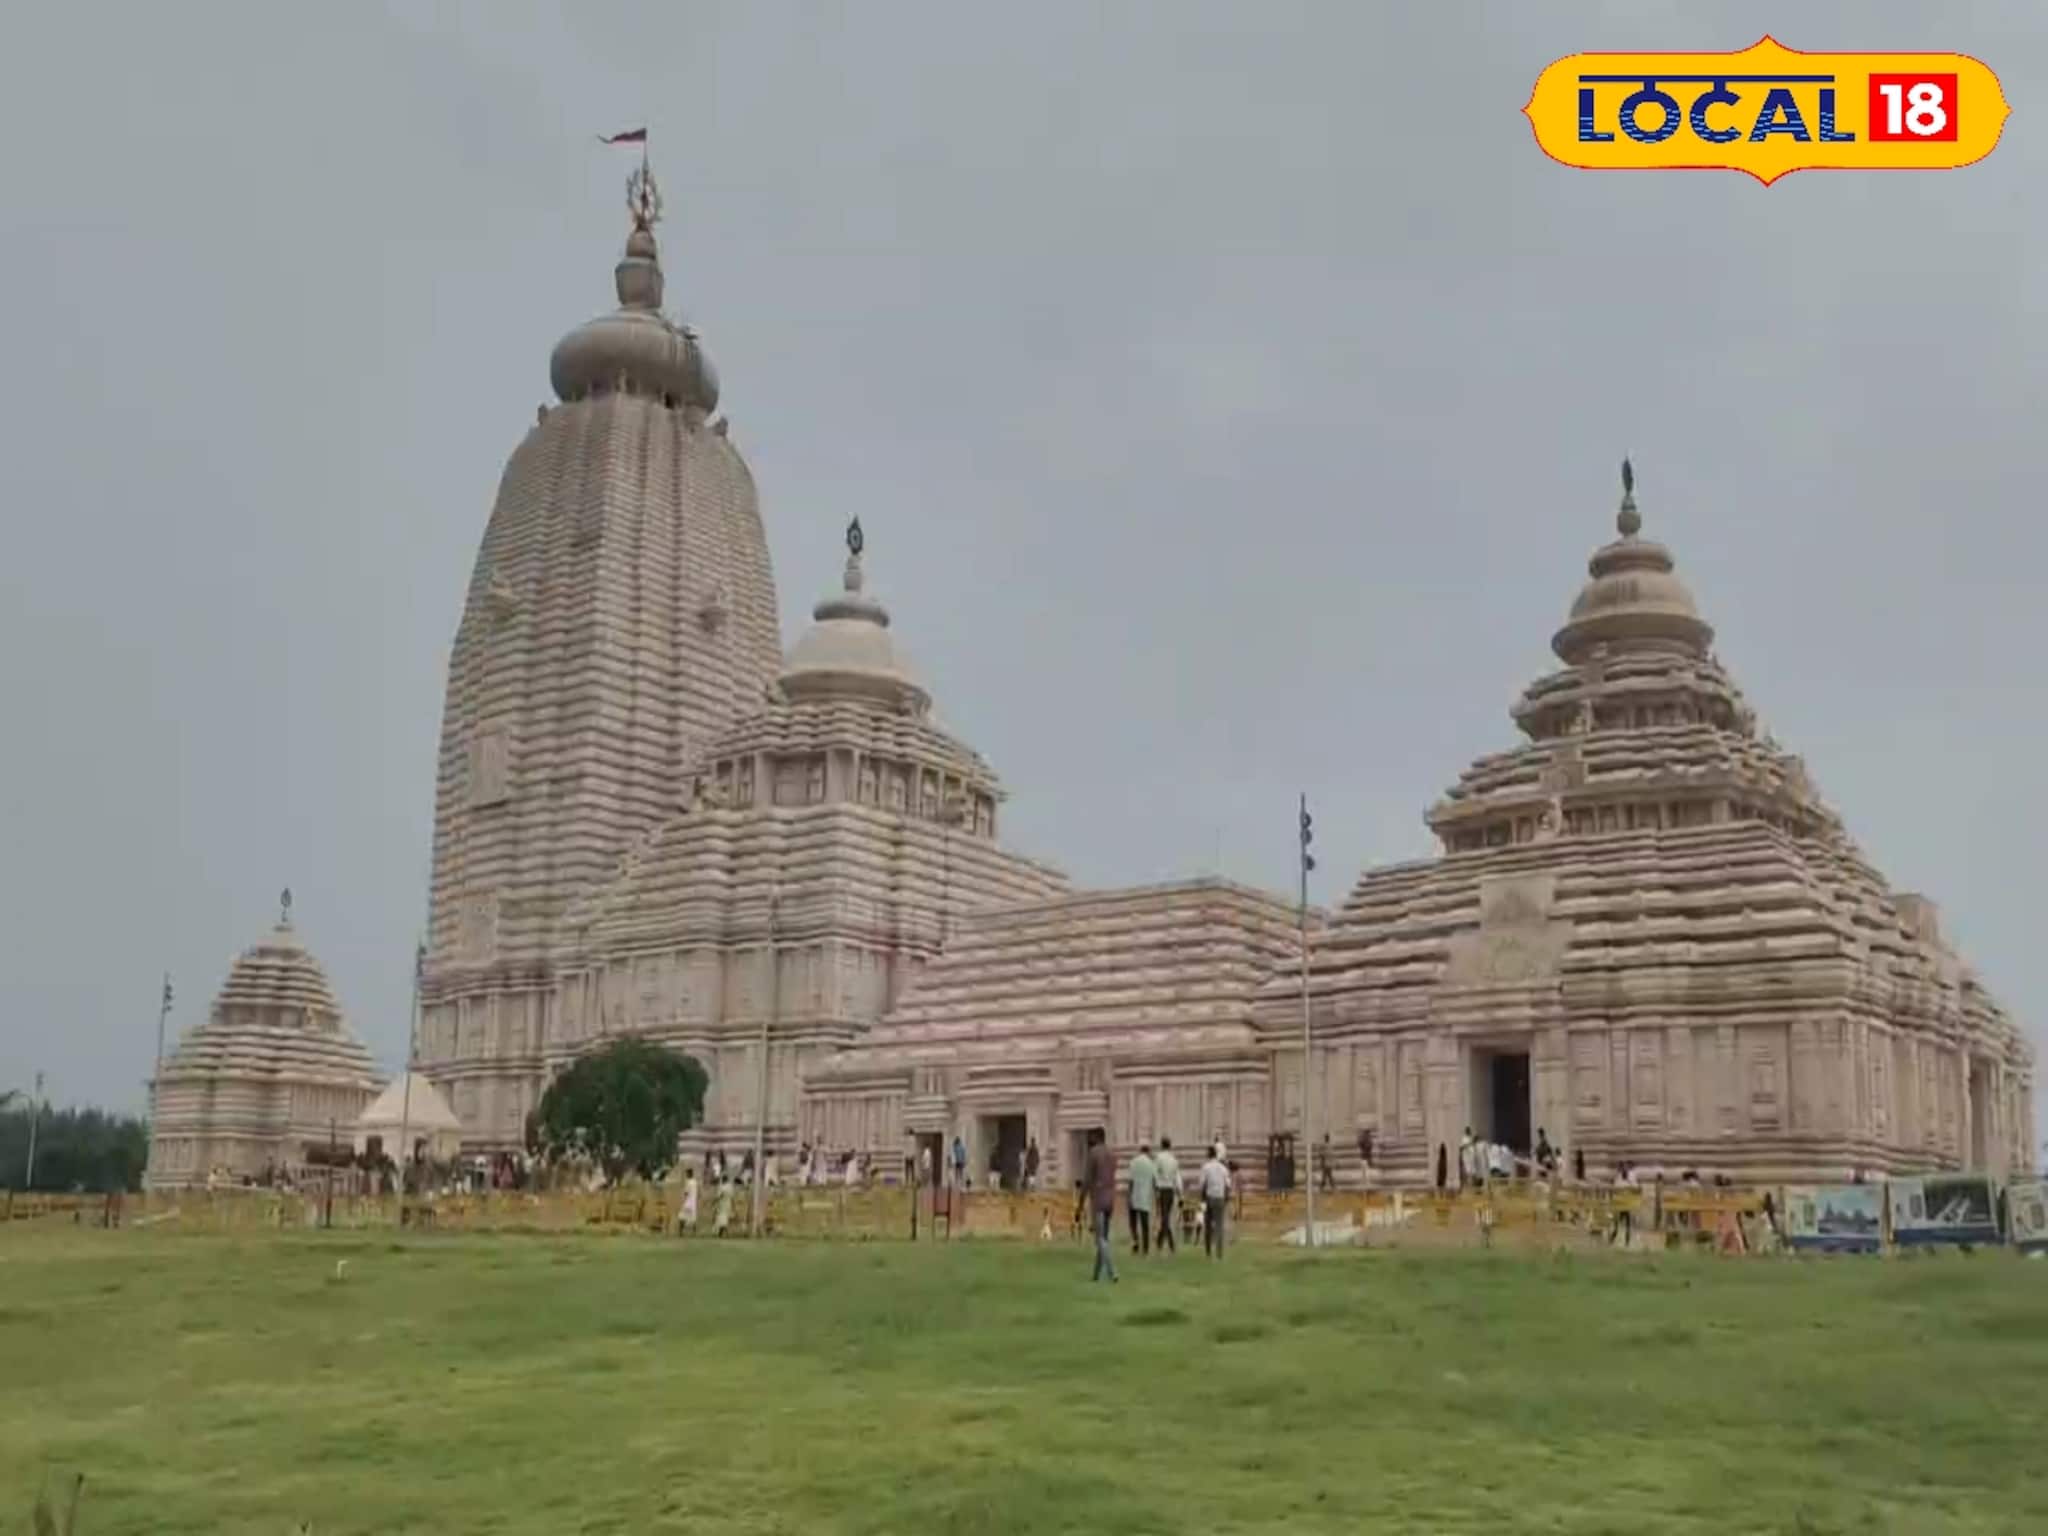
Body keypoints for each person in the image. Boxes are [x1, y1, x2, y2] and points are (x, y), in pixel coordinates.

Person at [1083, 1129, 1119, 1283]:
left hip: (1098, 1200)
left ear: (1096, 1137)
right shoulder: (1112, 1155)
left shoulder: (1093, 1153)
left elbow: (1087, 1181)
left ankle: (1112, 1272)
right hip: (1110, 1199)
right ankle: (1096, 1275)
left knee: (1100, 1240)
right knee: (1103, 1238)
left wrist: (1079, 1204)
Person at [1200, 1143, 1232, 1260]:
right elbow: (1228, 1185)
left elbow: (1202, 1185)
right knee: (1219, 1225)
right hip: (1220, 1198)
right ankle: (1219, 1253)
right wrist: (1226, 1198)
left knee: (1208, 1225)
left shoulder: (1206, 1167)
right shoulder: (1223, 1168)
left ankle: (1208, 1252)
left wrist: (1202, 1200)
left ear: (1209, 1154)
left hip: (1209, 1198)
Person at [1128, 1142, 1158, 1254]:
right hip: (1146, 1197)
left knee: (1133, 1223)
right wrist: (1156, 1196)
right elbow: (1155, 1182)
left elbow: (1130, 1181)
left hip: (1134, 1196)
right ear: (1148, 1151)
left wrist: (1129, 1196)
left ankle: (1135, 1242)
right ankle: (1145, 1248)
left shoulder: (1133, 1162)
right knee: (1145, 1225)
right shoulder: (1151, 1163)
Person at [1153, 1137, 1180, 1254]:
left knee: (1164, 1217)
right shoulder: (1174, 1159)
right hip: (1170, 1190)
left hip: (1162, 1189)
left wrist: (1154, 1188)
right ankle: (1166, 1243)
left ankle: (1166, 1242)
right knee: (1166, 1216)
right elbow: (1176, 1177)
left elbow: (1155, 1173)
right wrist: (1179, 1191)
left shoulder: (1159, 1158)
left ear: (1161, 1145)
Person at [680, 1166, 700, 1236]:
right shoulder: (695, 1182)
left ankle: (681, 1232)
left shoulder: (688, 1182)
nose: (686, 1175)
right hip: (693, 1202)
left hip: (688, 1201)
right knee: (693, 1218)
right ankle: (694, 1232)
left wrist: (683, 1198)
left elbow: (686, 1192)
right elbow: (698, 1192)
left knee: (682, 1216)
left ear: (689, 1174)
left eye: (687, 1174)